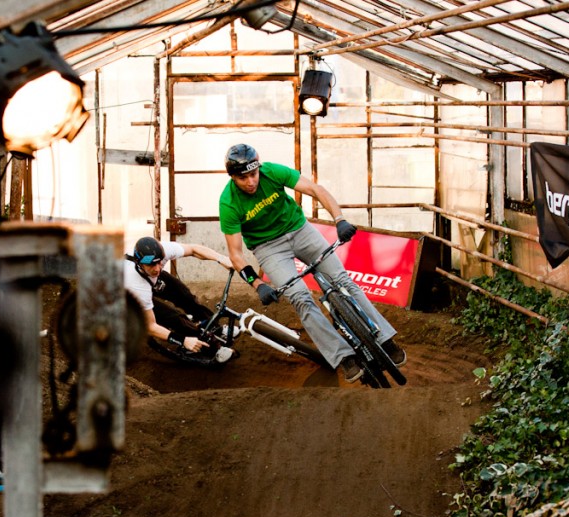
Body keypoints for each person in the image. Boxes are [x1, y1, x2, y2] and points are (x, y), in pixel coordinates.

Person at [218, 143, 406, 382]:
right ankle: (343, 357)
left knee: (342, 280)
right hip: (268, 248)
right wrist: (258, 284)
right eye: (243, 178)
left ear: (259, 168)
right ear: (233, 177)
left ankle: (385, 339)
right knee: (300, 297)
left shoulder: (272, 171)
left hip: (300, 230)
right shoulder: (228, 203)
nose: (251, 181)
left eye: (253, 174)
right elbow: (235, 254)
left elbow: (316, 189)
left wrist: (339, 220)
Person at [125, 236, 237, 364]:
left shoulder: (162, 251)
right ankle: (209, 346)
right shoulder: (135, 283)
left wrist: (221, 258)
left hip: (147, 278)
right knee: (173, 317)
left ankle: (215, 328)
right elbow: (150, 326)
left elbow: (193, 249)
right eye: (151, 264)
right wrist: (183, 340)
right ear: (140, 264)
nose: (157, 268)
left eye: (159, 262)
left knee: (185, 296)